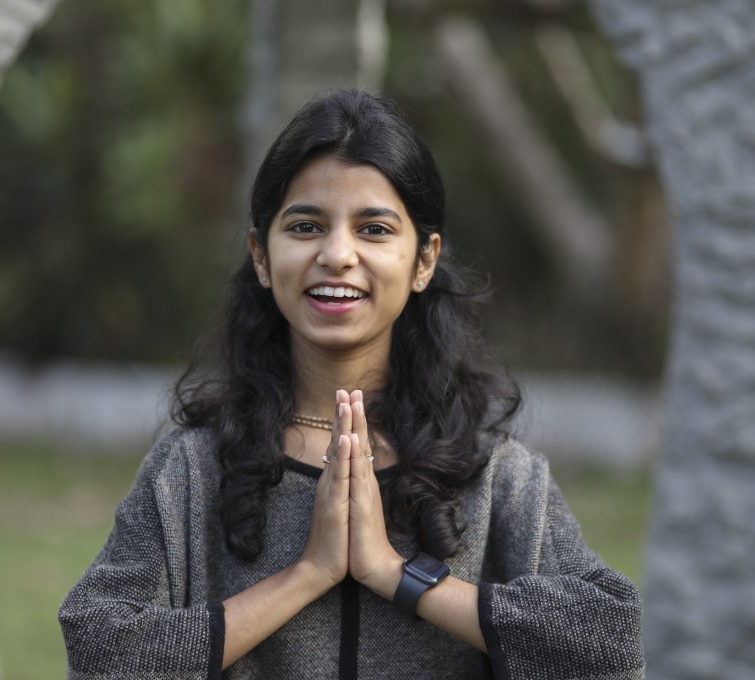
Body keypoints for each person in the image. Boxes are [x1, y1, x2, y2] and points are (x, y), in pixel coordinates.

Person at [59, 89, 645, 679]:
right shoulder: (192, 471)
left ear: (424, 260)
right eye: (306, 226)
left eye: (374, 229)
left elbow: (610, 651)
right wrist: (305, 575)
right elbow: (101, 653)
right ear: (261, 256)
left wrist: (395, 575)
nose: (338, 254)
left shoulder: (496, 475)